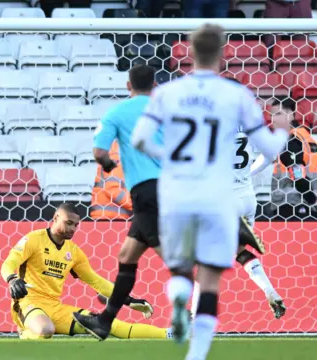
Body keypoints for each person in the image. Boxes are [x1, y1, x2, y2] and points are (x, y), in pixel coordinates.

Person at [130, 24, 290, 359]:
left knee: (182, 266)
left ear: (189, 51)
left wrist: (172, 158)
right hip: (228, 195)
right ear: (221, 51)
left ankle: (179, 298)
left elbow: (140, 140)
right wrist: (283, 128)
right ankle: (196, 354)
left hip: (183, 192)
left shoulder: (169, 93)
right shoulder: (236, 98)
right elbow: (270, 148)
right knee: (213, 274)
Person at [72, 65, 164, 341]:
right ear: (155, 85)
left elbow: (99, 152)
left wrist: (108, 163)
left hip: (148, 194)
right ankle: (104, 322)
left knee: (177, 263)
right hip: (167, 189)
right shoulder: (166, 111)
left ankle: (198, 314)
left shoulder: (116, 113)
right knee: (126, 257)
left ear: (128, 86)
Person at [1, 203, 173, 340]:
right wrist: (12, 279)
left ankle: (169, 334)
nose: (72, 229)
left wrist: (128, 300)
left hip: (55, 307)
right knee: (45, 330)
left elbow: (96, 281)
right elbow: (9, 263)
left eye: (76, 225)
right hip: (27, 302)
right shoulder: (33, 239)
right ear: (55, 218)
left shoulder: (74, 252)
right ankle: (25, 333)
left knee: (107, 324)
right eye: (68, 223)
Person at [190, 78, 287, 321]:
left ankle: (193, 315)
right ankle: (269, 290)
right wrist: (247, 173)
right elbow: (270, 154)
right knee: (239, 250)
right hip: (247, 197)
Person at [251, 99, 317, 207]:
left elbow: (298, 176)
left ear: (291, 114)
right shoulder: (304, 135)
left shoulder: (290, 141)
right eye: (272, 115)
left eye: (278, 114)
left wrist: (312, 200)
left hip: (292, 204)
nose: (273, 119)